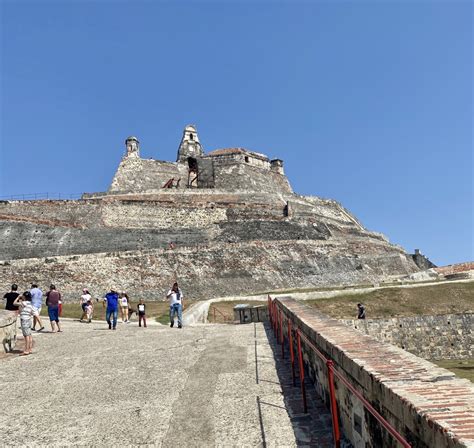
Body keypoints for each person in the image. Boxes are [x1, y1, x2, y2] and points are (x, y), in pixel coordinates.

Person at [13, 291, 39, 356]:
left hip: (24, 320)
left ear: (24, 297)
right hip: (29, 319)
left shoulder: (23, 303)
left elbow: (14, 303)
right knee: (29, 334)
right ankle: (29, 349)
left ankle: (26, 350)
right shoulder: (30, 304)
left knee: (26, 336)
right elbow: (34, 312)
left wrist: (18, 297)